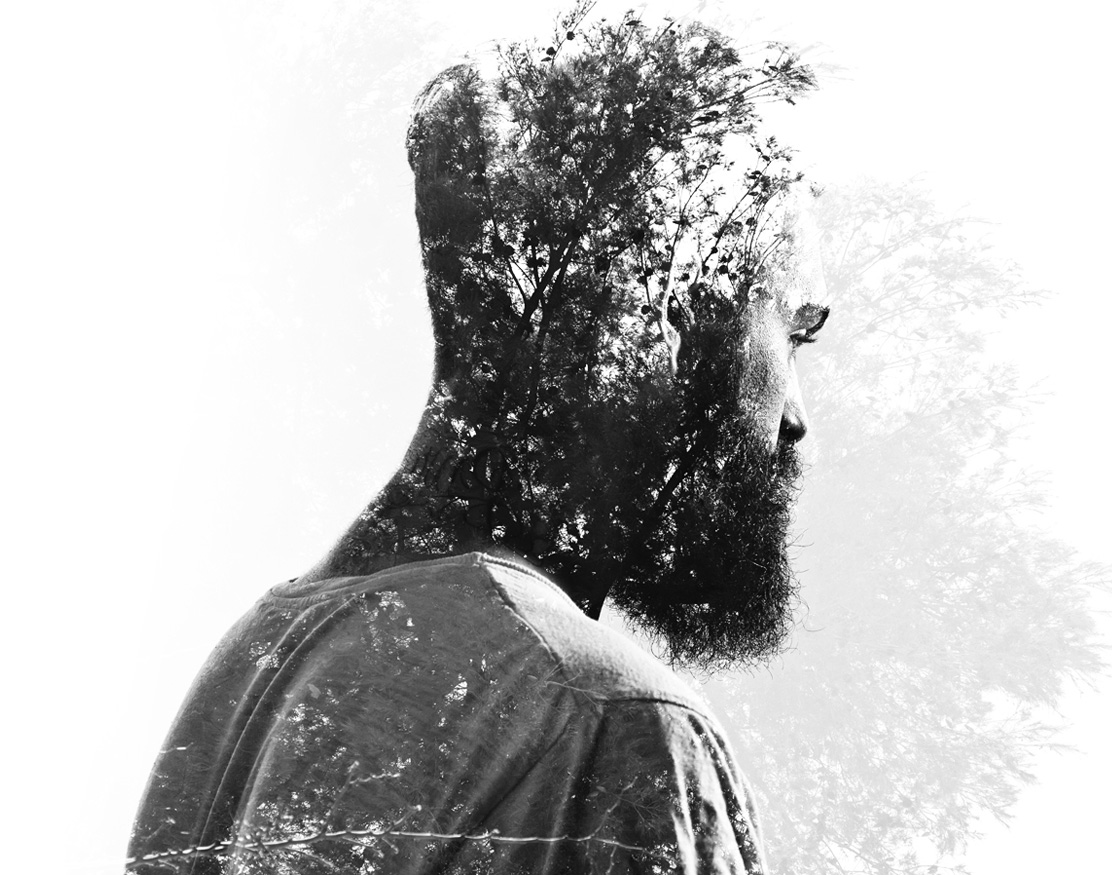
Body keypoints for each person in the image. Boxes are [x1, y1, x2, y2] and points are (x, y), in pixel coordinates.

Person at [127, 9, 829, 874]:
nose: (795, 415)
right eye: (793, 332)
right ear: (673, 299)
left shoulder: (257, 661)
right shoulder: (613, 724)